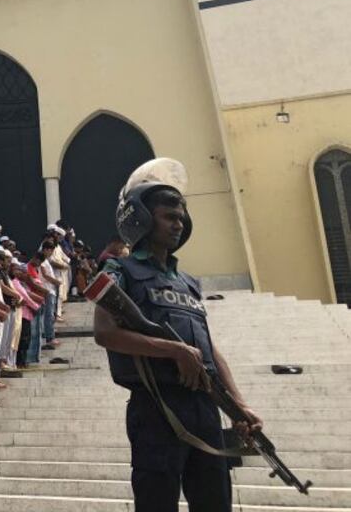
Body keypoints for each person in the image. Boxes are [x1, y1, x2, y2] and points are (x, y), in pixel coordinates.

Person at [94, 166, 262, 512]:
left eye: (181, 218)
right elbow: (105, 331)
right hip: (156, 408)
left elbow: (208, 349)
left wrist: (238, 405)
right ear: (141, 219)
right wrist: (173, 350)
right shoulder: (120, 271)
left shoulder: (188, 282)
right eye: (169, 216)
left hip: (204, 408)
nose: (178, 224)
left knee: (215, 502)